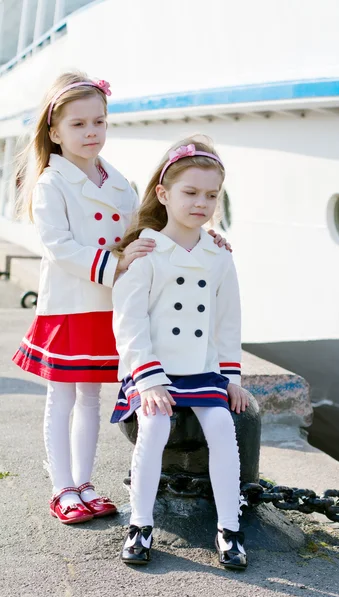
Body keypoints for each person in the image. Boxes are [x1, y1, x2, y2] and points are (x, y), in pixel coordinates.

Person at [11, 72, 231, 525]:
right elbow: (59, 247)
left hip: (107, 303)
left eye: (99, 122)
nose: (91, 132)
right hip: (71, 304)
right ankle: (62, 488)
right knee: (62, 398)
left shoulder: (117, 180)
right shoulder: (52, 183)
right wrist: (119, 264)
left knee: (90, 398)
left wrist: (205, 236)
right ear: (54, 132)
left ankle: (85, 483)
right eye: (78, 124)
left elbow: (148, 222)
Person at [111, 137, 249, 570]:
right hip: (153, 367)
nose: (201, 203)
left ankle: (229, 529)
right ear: (164, 194)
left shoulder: (218, 256)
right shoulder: (147, 252)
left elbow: (227, 322)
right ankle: (140, 524)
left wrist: (232, 378)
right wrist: (148, 378)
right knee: (153, 428)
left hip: (202, 369)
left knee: (223, 425)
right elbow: (128, 320)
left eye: (211, 195)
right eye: (190, 193)